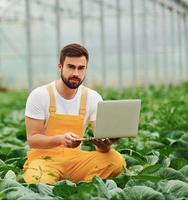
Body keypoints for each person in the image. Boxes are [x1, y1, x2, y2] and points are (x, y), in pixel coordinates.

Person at [23, 43, 126, 184]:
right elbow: (33, 139)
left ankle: (81, 187)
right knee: (38, 181)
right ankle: (76, 184)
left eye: (81, 68)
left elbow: (101, 140)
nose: (76, 74)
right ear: (60, 67)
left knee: (115, 160)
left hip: (75, 161)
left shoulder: (93, 97)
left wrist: (105, 145)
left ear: (86, 69)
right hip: (44, 161)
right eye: (71, 67)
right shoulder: (40, 95)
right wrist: (60, 139)